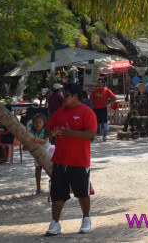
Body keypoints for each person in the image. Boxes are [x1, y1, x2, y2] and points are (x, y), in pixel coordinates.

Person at [45, 83, 98, 236]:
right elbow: (47, 131)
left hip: (79, 160)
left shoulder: (87, 112)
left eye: (66, 95)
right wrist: (51, 133)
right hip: (60, 160)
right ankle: (55, 224)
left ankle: (86, 219)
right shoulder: (59, 112)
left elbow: (91, 133)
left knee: (82, 192)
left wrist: (72, 133)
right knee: (57, 194)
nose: (63, 97)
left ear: (75, 96)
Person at [31, 115, 49, 194]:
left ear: (43, 123)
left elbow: (45, 141)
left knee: (51, 168)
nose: (38, 124)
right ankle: (38, 188)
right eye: (36, 123)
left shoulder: (45, 130)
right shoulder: (32, 132)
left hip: (47, 151)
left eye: (39, 123)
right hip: (38, 153)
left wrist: (38, 140)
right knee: (38, 170)